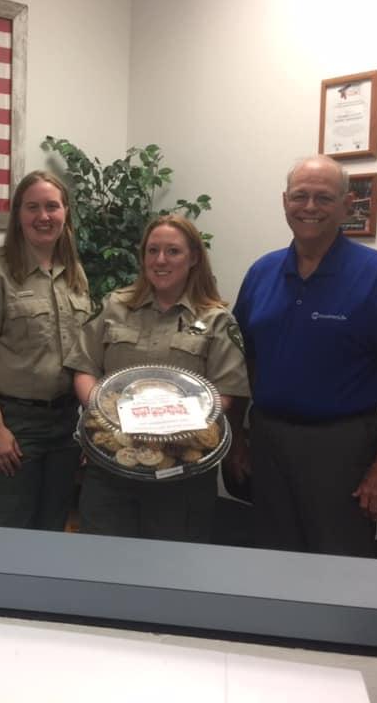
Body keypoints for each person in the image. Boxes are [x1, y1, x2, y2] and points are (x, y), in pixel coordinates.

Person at [232, 155, 377, 557]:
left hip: (342, 446)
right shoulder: (261, 272)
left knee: (338, 561)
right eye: (300, 196)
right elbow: (240, 361)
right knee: (272, 554)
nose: (309, 207)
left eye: (323, 198)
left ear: (347, 205)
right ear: (284, 201)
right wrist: (236, 438)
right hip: (269, 437)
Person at [65, 214, 250, 542]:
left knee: (173, 568)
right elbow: (84, 368)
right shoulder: (114, 306)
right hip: (111, 467)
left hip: (180, 472)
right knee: (102, 562)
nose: (160, 260)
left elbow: (225, 393)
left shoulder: (217, 319)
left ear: (194, 257)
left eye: (173, 251)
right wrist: (107, 418)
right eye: (152, 251)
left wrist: (167, 426)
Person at [0, 170, 94, 530]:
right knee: (6, 530)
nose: (43, 217)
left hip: (64, 425)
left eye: (52, 207)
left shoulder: (74, 273)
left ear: (66, 213)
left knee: (52, 527)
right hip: (11, 421)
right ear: (18, 215)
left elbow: (83, 356)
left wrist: (90, 426)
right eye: (32, 207)